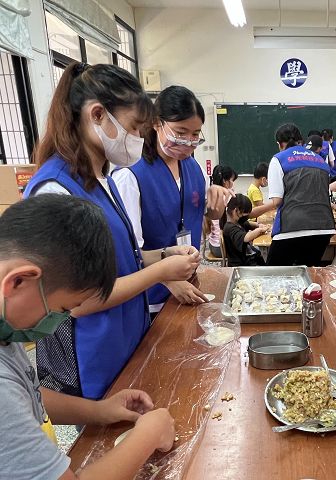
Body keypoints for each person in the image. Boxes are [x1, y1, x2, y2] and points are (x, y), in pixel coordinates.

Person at [23, 62, 207, 400]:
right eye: (135, 128)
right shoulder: (55, 190)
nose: (139, 139)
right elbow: (79, 301)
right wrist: (161, 273)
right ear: (97, 115)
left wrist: (164, 254)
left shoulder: (102, 180)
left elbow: (127, 259)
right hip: (92, 352)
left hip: (126, 338)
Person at [0, 194, 176, 480]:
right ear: (18, 281)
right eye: (62, 309)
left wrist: (98, 411)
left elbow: (26, 393)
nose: (60, 319)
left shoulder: (6, 328)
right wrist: (147, 437)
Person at [113, 85, 218, 311]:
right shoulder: (131, 176)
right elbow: (128, 254)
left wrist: (215, 208)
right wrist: (167, 279)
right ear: (156, 123)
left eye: (195, 134)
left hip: (190, 288)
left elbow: (200, 216)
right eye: (180, 133)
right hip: (150, 300)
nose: (188, 141)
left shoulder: (193, 168)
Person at [250, 123, 336, 266]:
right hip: (324, 228)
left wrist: (253, 212)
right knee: (307, 274)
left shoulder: (279, 159)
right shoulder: (320, 160)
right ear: (300, 140)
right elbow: (325, 196)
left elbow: (277, 201)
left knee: (274, 274)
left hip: (292, 228)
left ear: (279, 144)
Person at [221, 194, 269, 267]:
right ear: (236, 211)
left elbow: (247, 223)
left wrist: (258, 225)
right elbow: (246, 237)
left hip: (247, 258)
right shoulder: (229, 228)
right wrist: (260, 230)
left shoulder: (237, 221)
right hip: (241, 264)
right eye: (245, 214)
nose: (246, 217)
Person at [207, 165, 238, 258]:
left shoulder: (211, 196)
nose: (233, 183)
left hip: (212, 244)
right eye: (232, 180)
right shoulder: (227, 196)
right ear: (225, 181)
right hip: (222, 247)